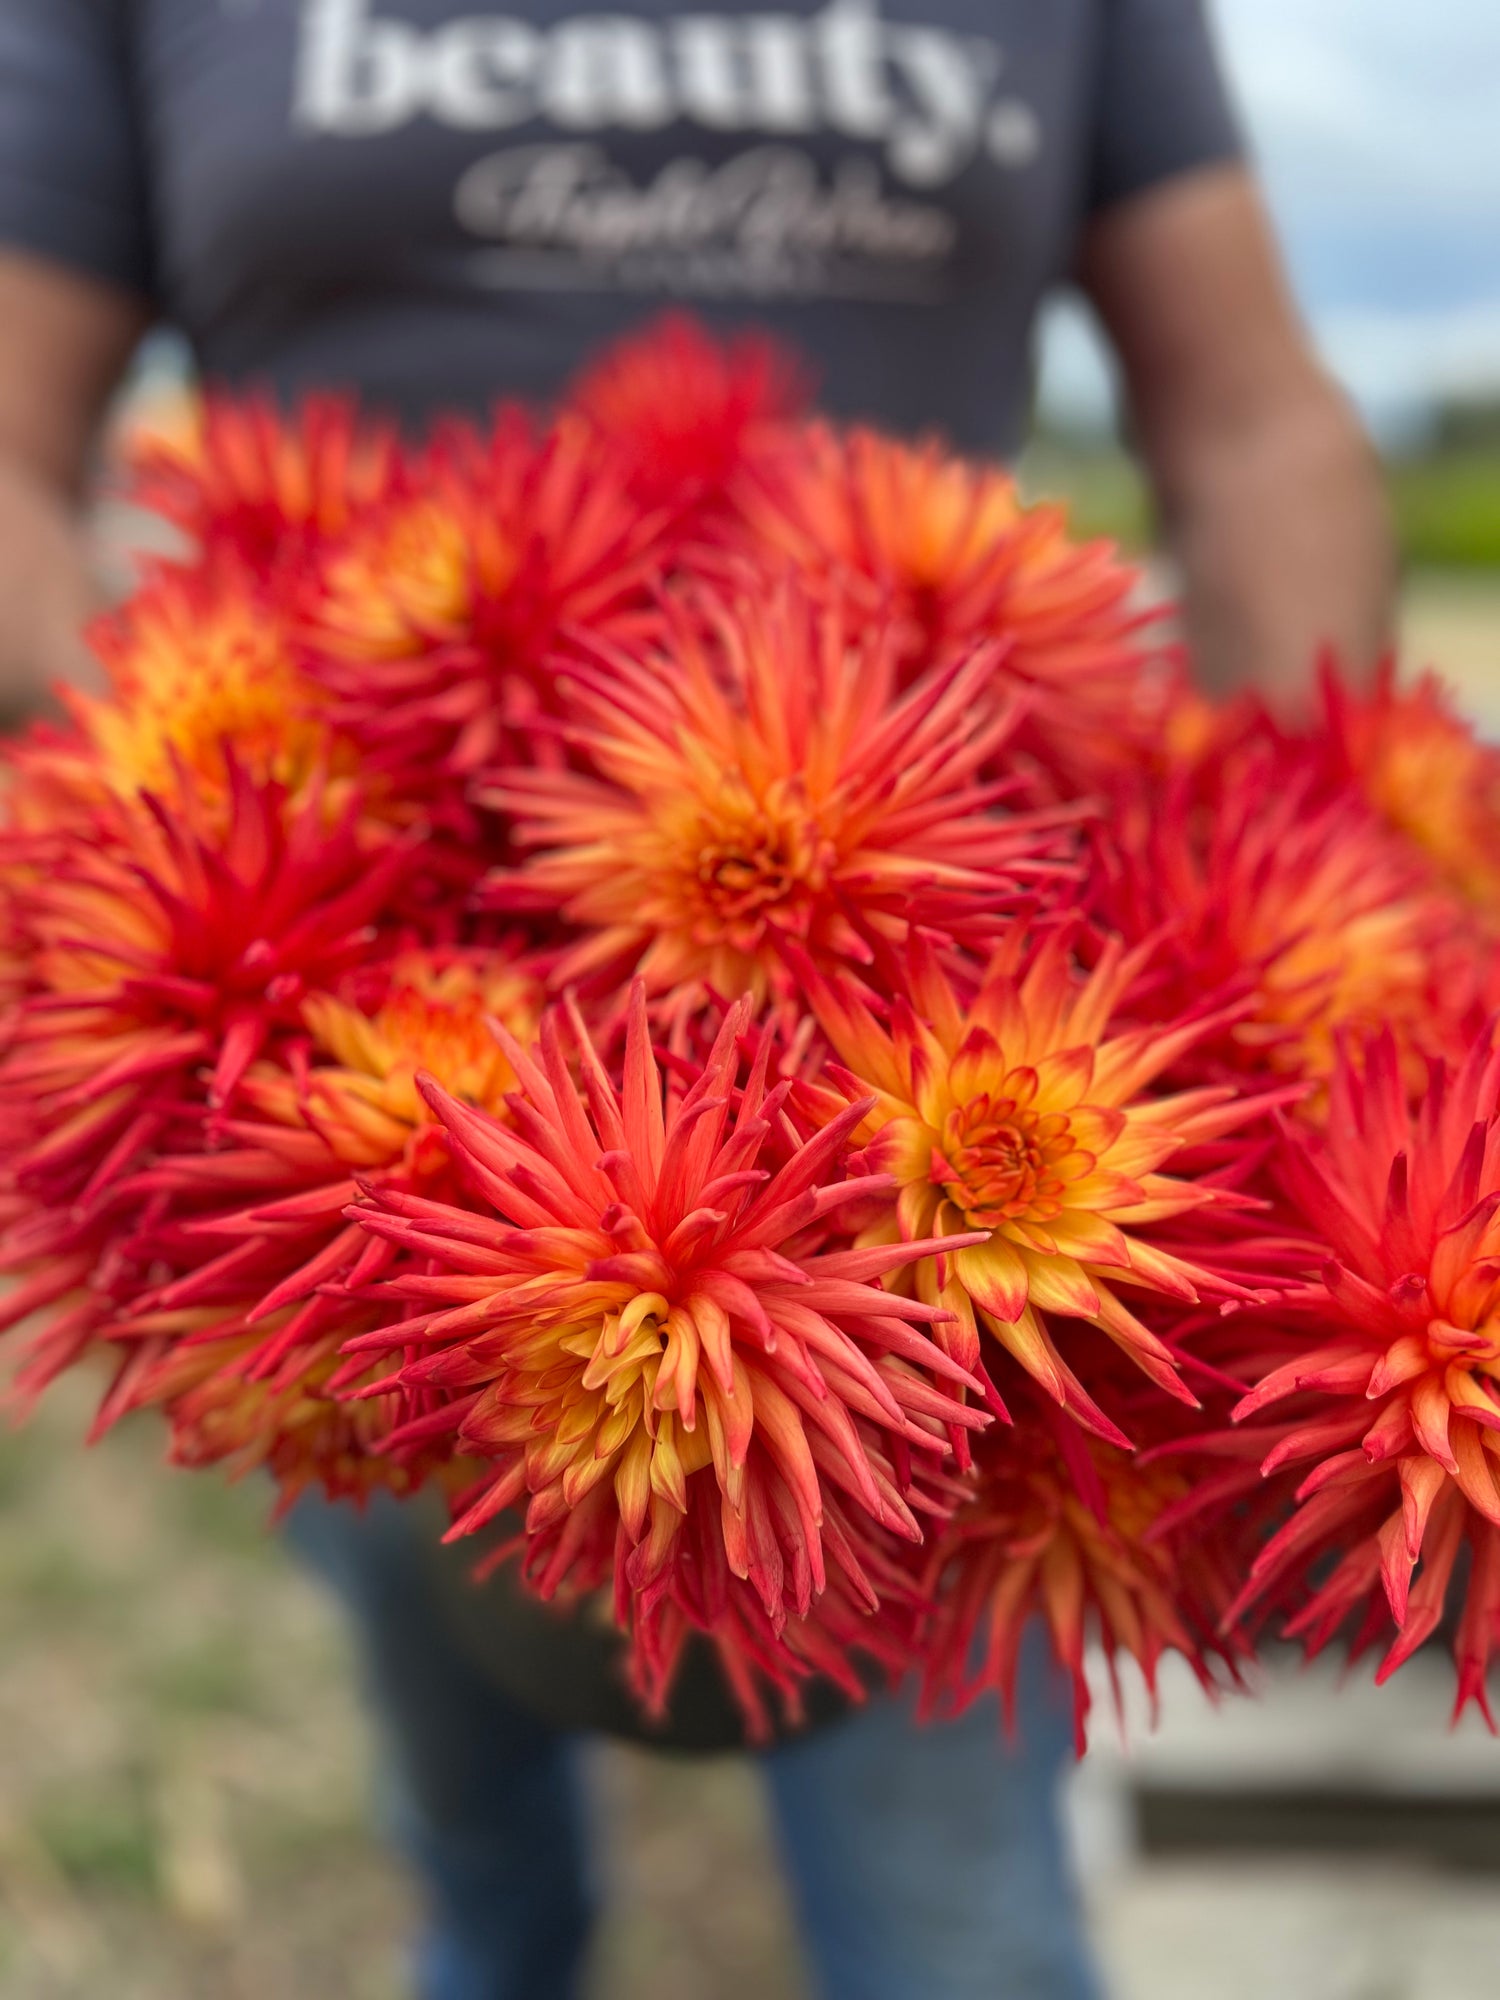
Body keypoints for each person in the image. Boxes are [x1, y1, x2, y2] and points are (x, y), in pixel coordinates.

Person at [0, 5, 1394, 1997]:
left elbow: (1255, 411)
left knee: (958, 1924)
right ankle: (496, 1932)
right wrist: (137, 778)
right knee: (458, 1759)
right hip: (321, 1025)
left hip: (949, 914)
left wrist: (1293, 814)